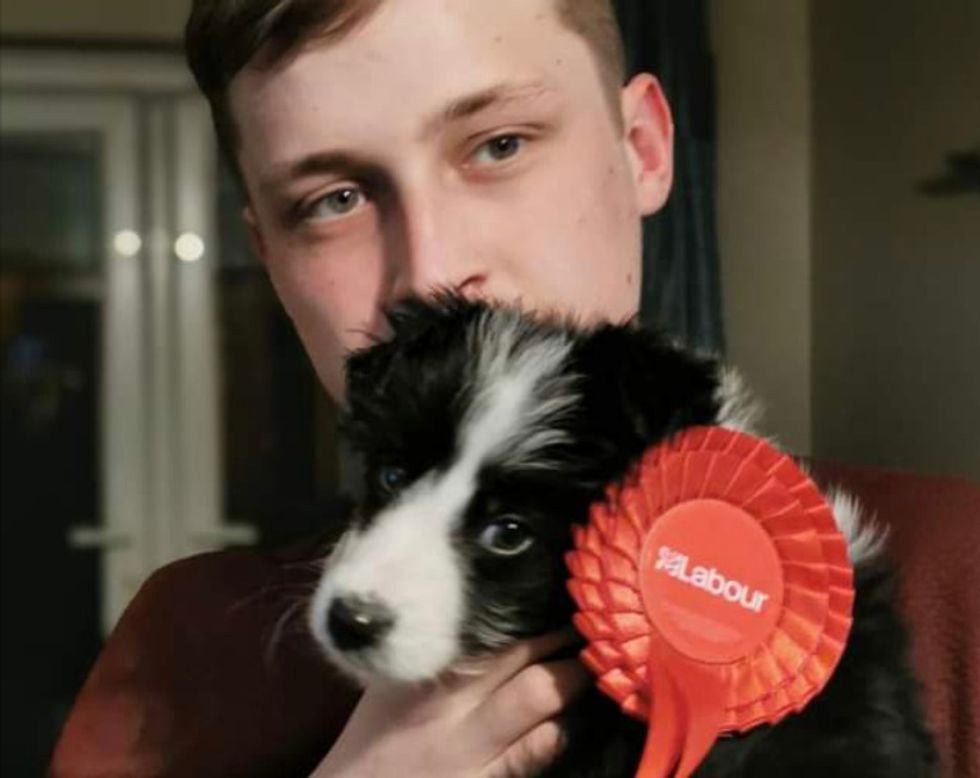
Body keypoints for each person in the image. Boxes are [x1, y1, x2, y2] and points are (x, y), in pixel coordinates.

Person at [52, 0, 674, 775]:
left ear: (642, 150)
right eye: (334, 200)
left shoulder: (860, 579)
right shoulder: (182, 657)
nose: (432, 274)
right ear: (270, 258)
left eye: (499, 145)